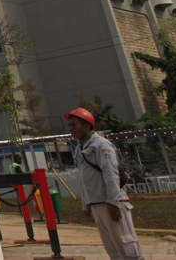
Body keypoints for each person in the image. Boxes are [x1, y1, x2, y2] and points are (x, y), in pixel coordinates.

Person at [65, 107, 144, 259]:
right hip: (96, 204)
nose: (71, 129)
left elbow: (111, 174)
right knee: (112, 247)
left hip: (111, 202)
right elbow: (84, 178)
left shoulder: (101, 145)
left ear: (87, 125)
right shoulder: (79, 149)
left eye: (74, 125)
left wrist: (113, 202)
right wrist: (86, 204)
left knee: (126, 245)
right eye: (70, 126)